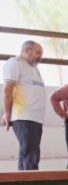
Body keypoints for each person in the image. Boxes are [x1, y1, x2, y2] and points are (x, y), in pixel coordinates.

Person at [2, 40, 46, 170]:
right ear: (27, 50)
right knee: (31, 156)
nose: (40, 56)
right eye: (38, 53)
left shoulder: (33, 68)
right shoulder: (14, 63)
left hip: (35, 119)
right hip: (24, 117)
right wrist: (7, 113)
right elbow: (7, 91)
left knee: (28, 154)